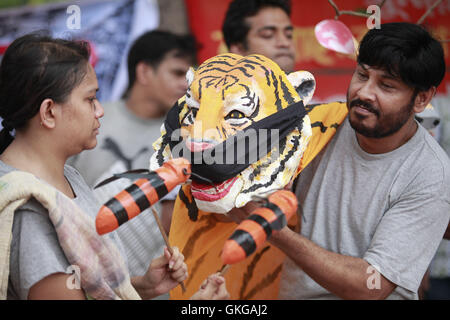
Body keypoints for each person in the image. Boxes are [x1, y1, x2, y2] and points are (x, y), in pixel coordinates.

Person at [229, 22, 450, 300]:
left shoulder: (431, 174)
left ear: (422, 99)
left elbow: (372, 286)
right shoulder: (318, 126)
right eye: (362, 75)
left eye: (387, 85)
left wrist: (268, 227)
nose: (364, 93)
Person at [0, 32, 228, 300]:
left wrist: (141, 287)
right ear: (49, 112)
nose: (100, 111)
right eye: (89, 99)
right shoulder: (31, 206)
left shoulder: (68, 176)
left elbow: (87, 290)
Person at [69, 30, 197, 282]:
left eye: (190, 76)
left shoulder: (187, 137)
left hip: (155, 285)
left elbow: (179, 227)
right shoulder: (92, 119)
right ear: (144, 72)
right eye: (178, 73)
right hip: (83, 279)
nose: (187, 84)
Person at [222, 0, 296, 73]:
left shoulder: (305, 83)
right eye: (268, 35)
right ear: (238, 49)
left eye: (288, 35)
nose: (285, 43)